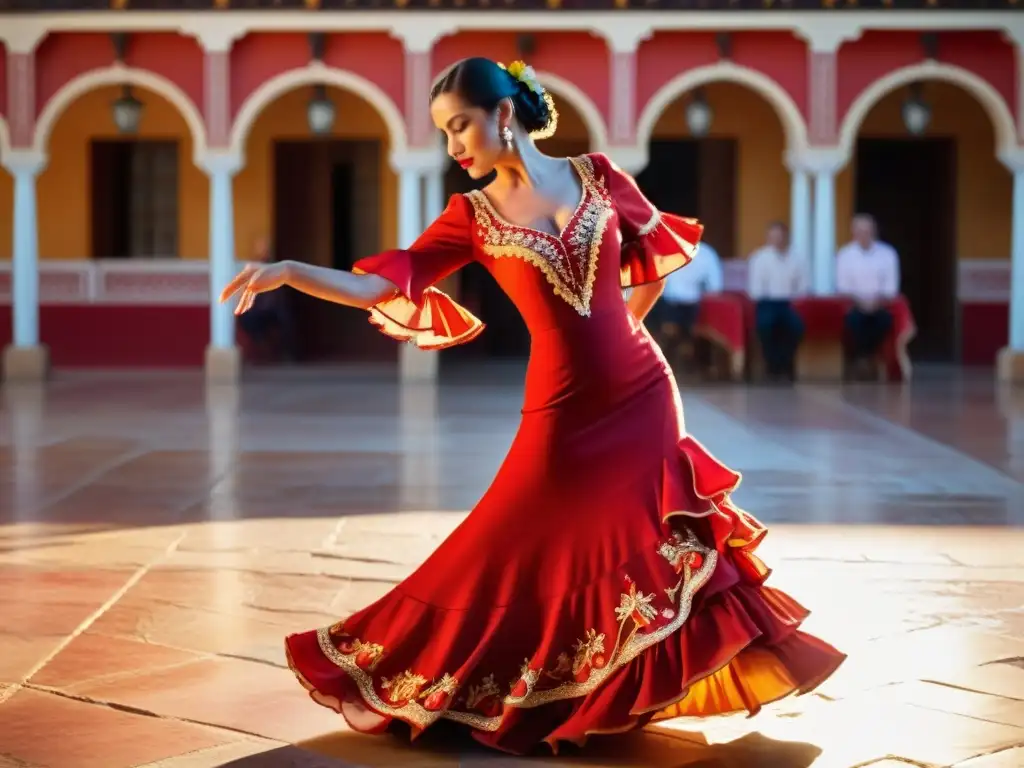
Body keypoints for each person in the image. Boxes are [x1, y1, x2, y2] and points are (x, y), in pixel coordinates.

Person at [221, 57, 844, 755]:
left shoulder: (601, 176)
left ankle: (610, 695)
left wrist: (627, 329)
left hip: (642, 393)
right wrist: (290, 272)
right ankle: (427, 668)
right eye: (444, 133)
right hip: (561, 406)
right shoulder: (471, 215)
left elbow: (648, 262)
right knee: (508, 541)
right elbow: (382, 286)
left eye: (460, 126)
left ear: (504, 115)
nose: (454, 146)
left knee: (648, 540)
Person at [836, 214, 900, 378]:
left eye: (867, 230)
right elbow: (842, 286)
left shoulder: (888, 253)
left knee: (883, 321)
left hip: (880, 304)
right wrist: (861, 302)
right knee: (855, 322)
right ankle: (863, 359)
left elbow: (891, 286)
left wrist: (876, 301)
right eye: (860, 231)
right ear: (853, 232)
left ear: (874, 231)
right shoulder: (844, 254)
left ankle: (865, 359)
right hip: (855, 304)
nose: (864, 234)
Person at [747, 222, 809, 381]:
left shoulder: (798, 258)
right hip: (766, 302)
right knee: (766, 326)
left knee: (796, 327)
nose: (777, 240)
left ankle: (786, 364)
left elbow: (803, 286)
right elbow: (755, 290)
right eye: (773, 237)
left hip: (790, 303)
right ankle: (772, 367)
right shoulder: (759, 257)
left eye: (780, 236)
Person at [235, 235, 299, 363]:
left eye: (265, 248)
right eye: (260, 248)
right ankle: (261, 354)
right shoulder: (251, 268)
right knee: (246, 320)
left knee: (286, 320)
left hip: (273, 309)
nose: (263, 251)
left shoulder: (277, 267)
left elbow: (279, 293)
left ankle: (287, 355)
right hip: (255, 309)